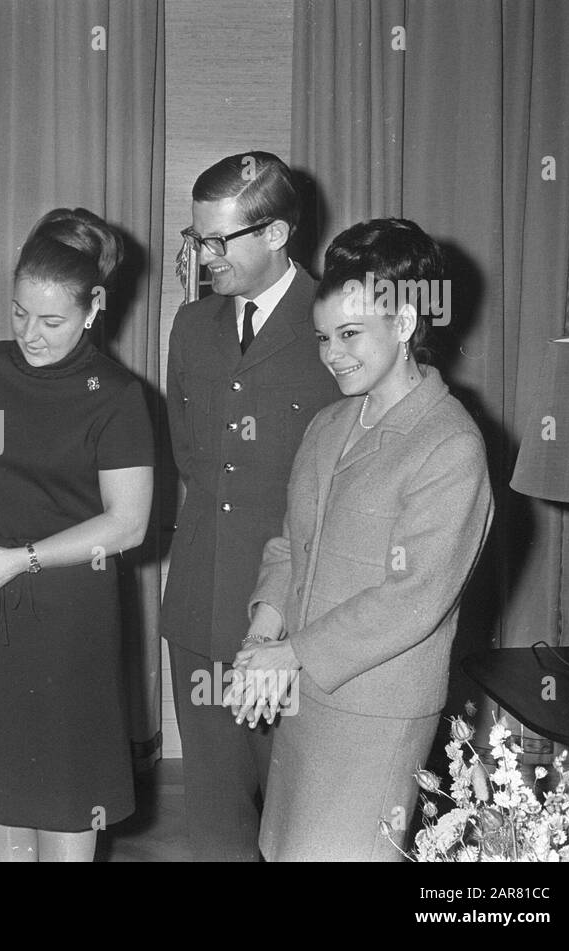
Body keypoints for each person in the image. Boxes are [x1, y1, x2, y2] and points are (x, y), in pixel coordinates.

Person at [231, 217, 494, 861]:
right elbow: (290, 546)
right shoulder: (327, 424)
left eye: (351, 335)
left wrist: (287, 655)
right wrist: (262, 640)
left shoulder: (450, 445)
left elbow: (413, 599)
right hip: (304, 701)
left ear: (405, 326)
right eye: (323, 337)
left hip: (376, 712)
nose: (332, 354)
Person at [0, 208, 155, 862]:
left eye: (51, 320)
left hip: (68, 613)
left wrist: (18, 560)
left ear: (94, 305)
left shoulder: (117, 395)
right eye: (20, 313)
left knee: (67, 790)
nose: (31, 334)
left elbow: (129, 523)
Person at [159, 152, 341, 860]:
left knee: (301, 823)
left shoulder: (335, 327)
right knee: (215, 822)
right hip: (201, 606)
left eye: (216, 241)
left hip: (300, 619)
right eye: (195, 238)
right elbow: (193, 463)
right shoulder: (192, 326)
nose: (202, 257)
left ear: (275, 234)